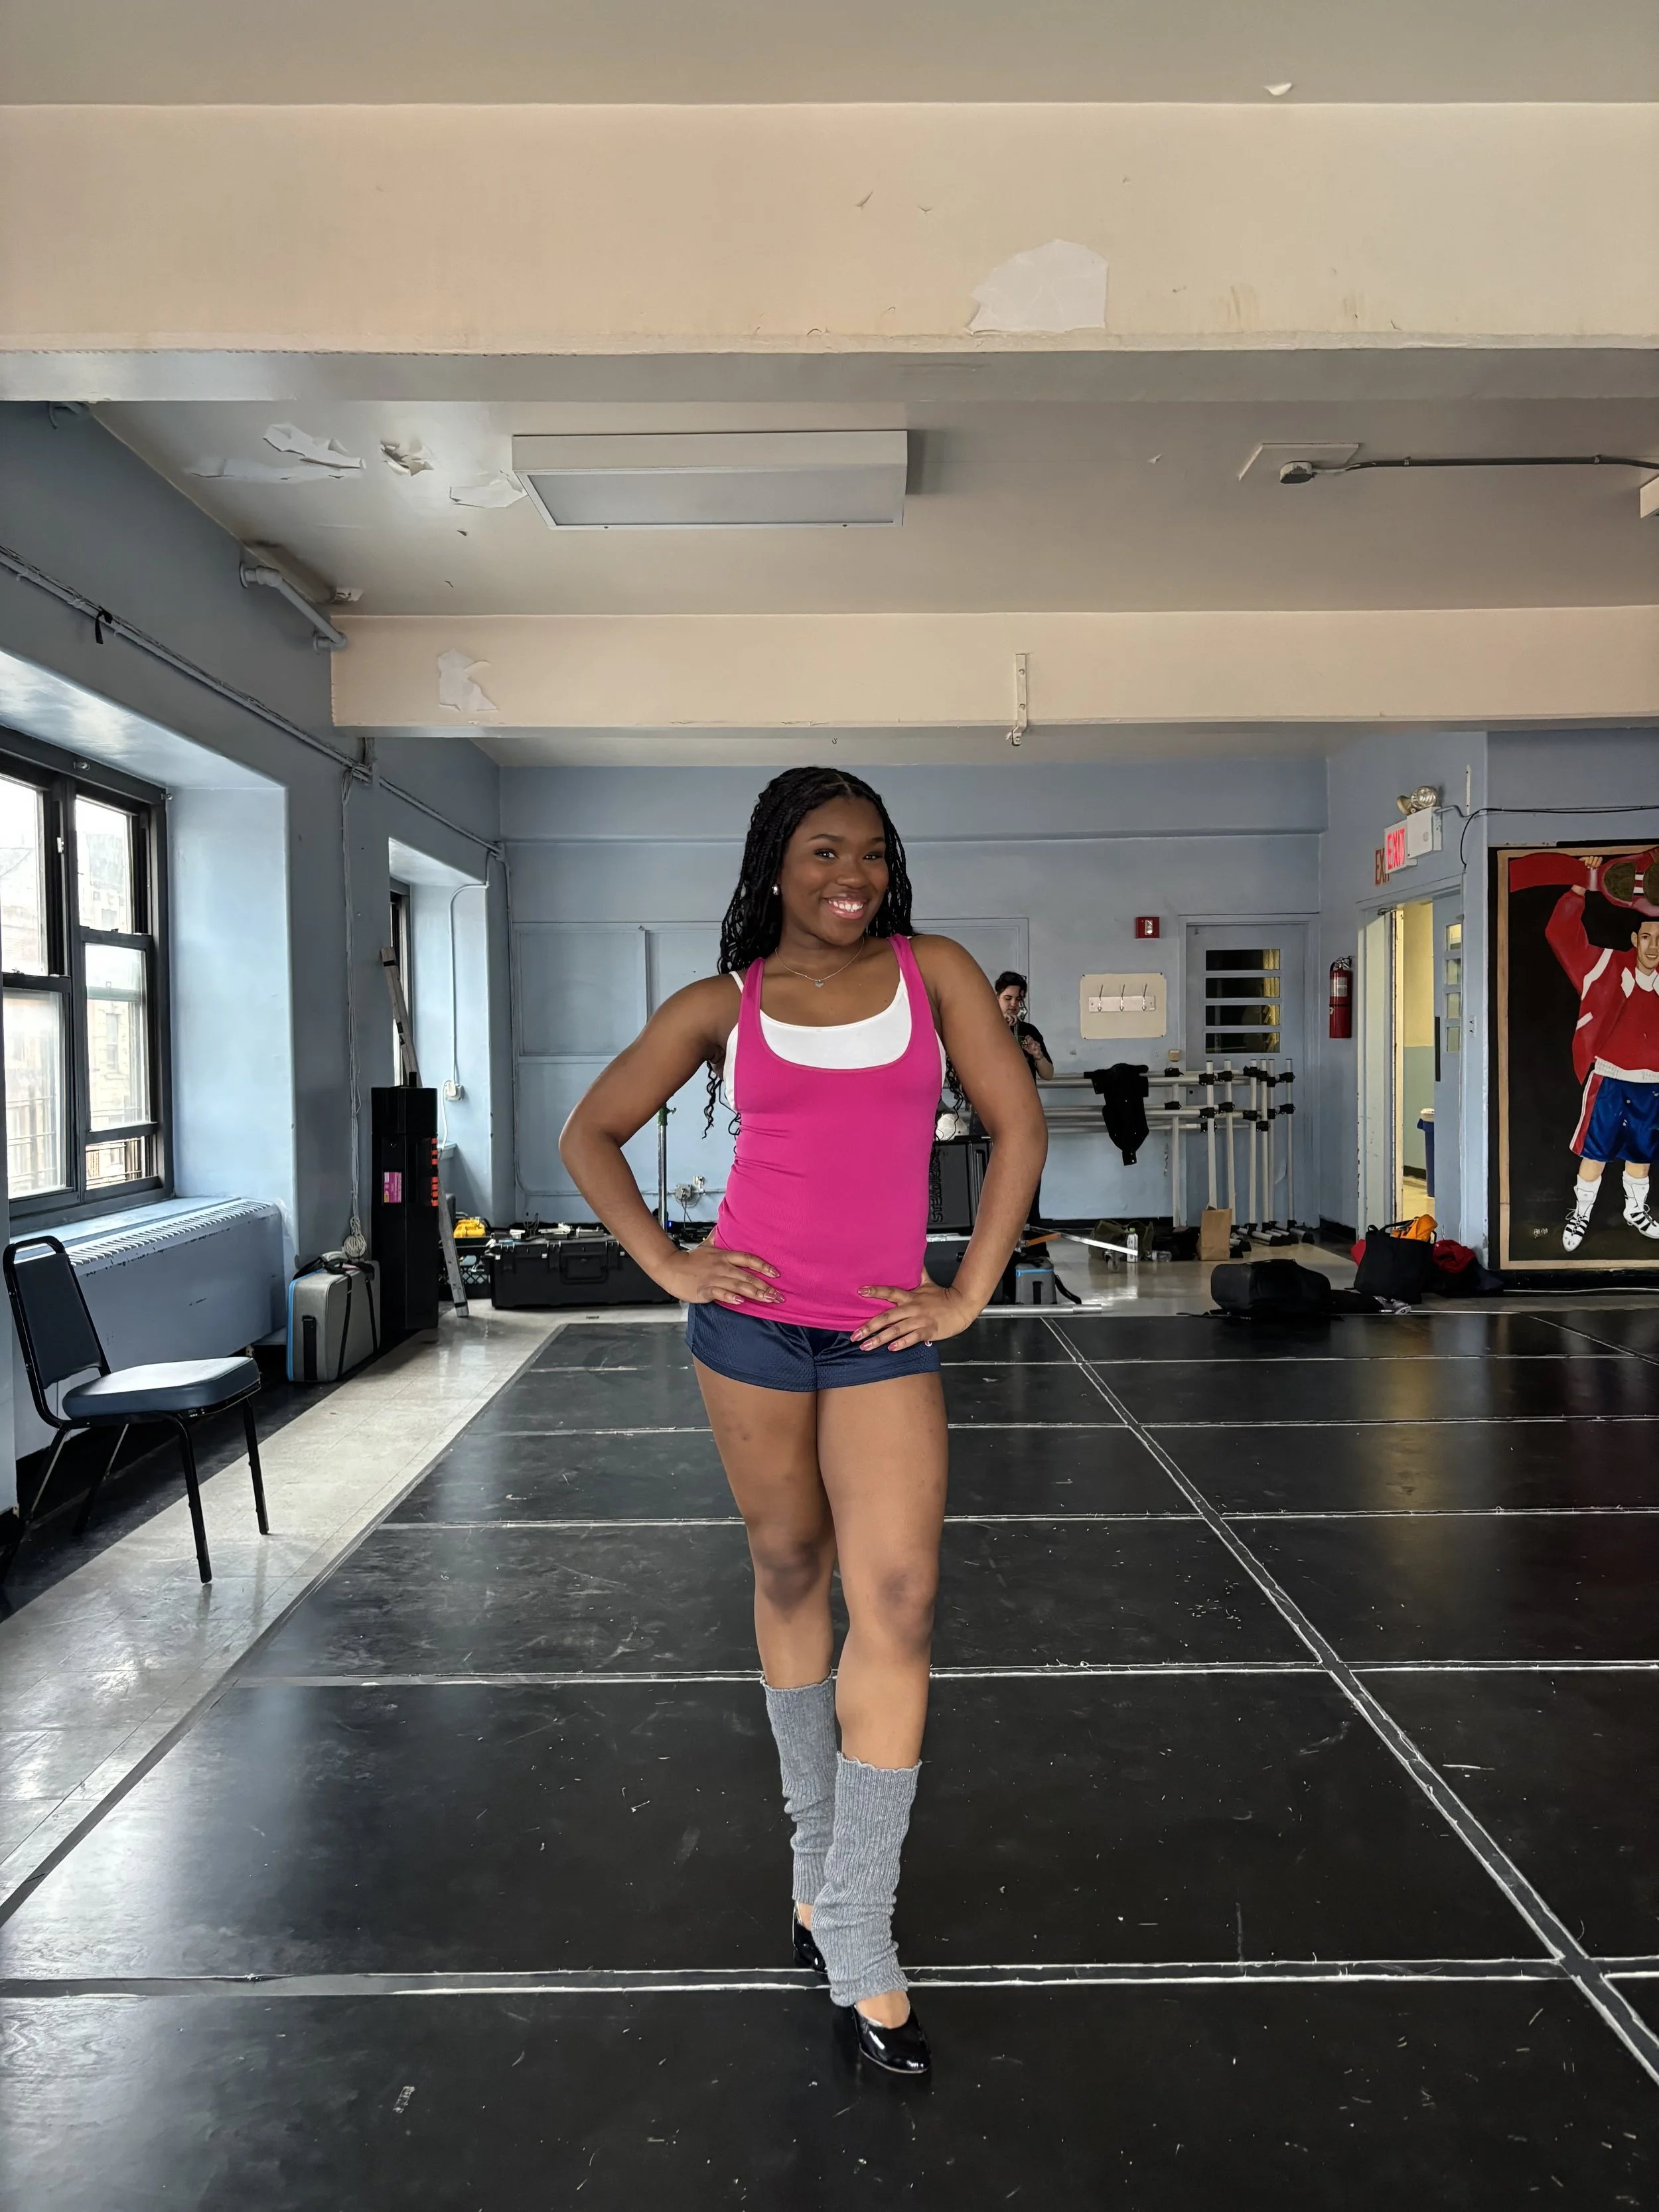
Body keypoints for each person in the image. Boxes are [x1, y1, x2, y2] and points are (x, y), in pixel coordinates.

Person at [559, 767, 1047, 2078]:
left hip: (885, 1328)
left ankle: (861, 1924)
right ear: (771, 866)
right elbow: (591, 1131)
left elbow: (1015, 1125)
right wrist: (670, 1263)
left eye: (874, 853)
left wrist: (967, 1290)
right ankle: (809, 1850)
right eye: (825, 851)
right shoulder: (723, 1005)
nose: (853, 874)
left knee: (897, 1593)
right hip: (752, 1329)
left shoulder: (932, 970)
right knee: (790, 1568)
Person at [1546, 856, 1659, 1252]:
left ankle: (1636, 1209)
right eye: (1646, 937)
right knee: (1596, 1151)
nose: (1653, 946)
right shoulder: (1606, 966)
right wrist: (1580, 885)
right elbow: (1561, 935)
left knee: (1643, 1151)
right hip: (1610, 1076)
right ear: (1634, 940)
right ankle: (1581, 1213)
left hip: (1655, 1083)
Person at [994, 971, 1054, 1081]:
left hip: (1024, 1096)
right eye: (1008, 998)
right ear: (997, 997)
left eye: (1018, 999)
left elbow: (1048, 1075)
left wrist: (1038, 1056)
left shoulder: (1029, 1030)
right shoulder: (986, 1027)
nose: (1013, 1004)